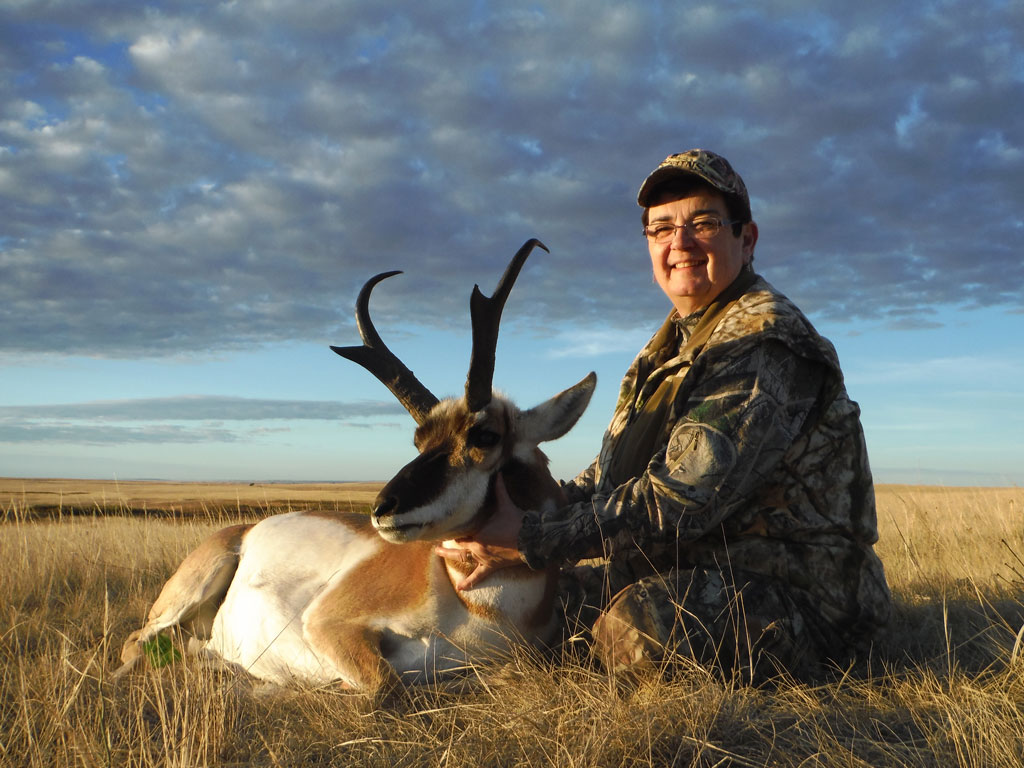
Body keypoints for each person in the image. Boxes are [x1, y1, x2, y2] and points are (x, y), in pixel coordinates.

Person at [437, 149, 892, 682]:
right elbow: (610, 479)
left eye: (704, 223)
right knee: (539, 603)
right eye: (661, 229)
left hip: (808, 602)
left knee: (636, 628)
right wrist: (518, 511)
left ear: (746, 241)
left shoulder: (764, 343)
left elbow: (683, 499)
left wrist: (535, 537)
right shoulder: (668, 348)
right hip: (690, 572)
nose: (680, 243)